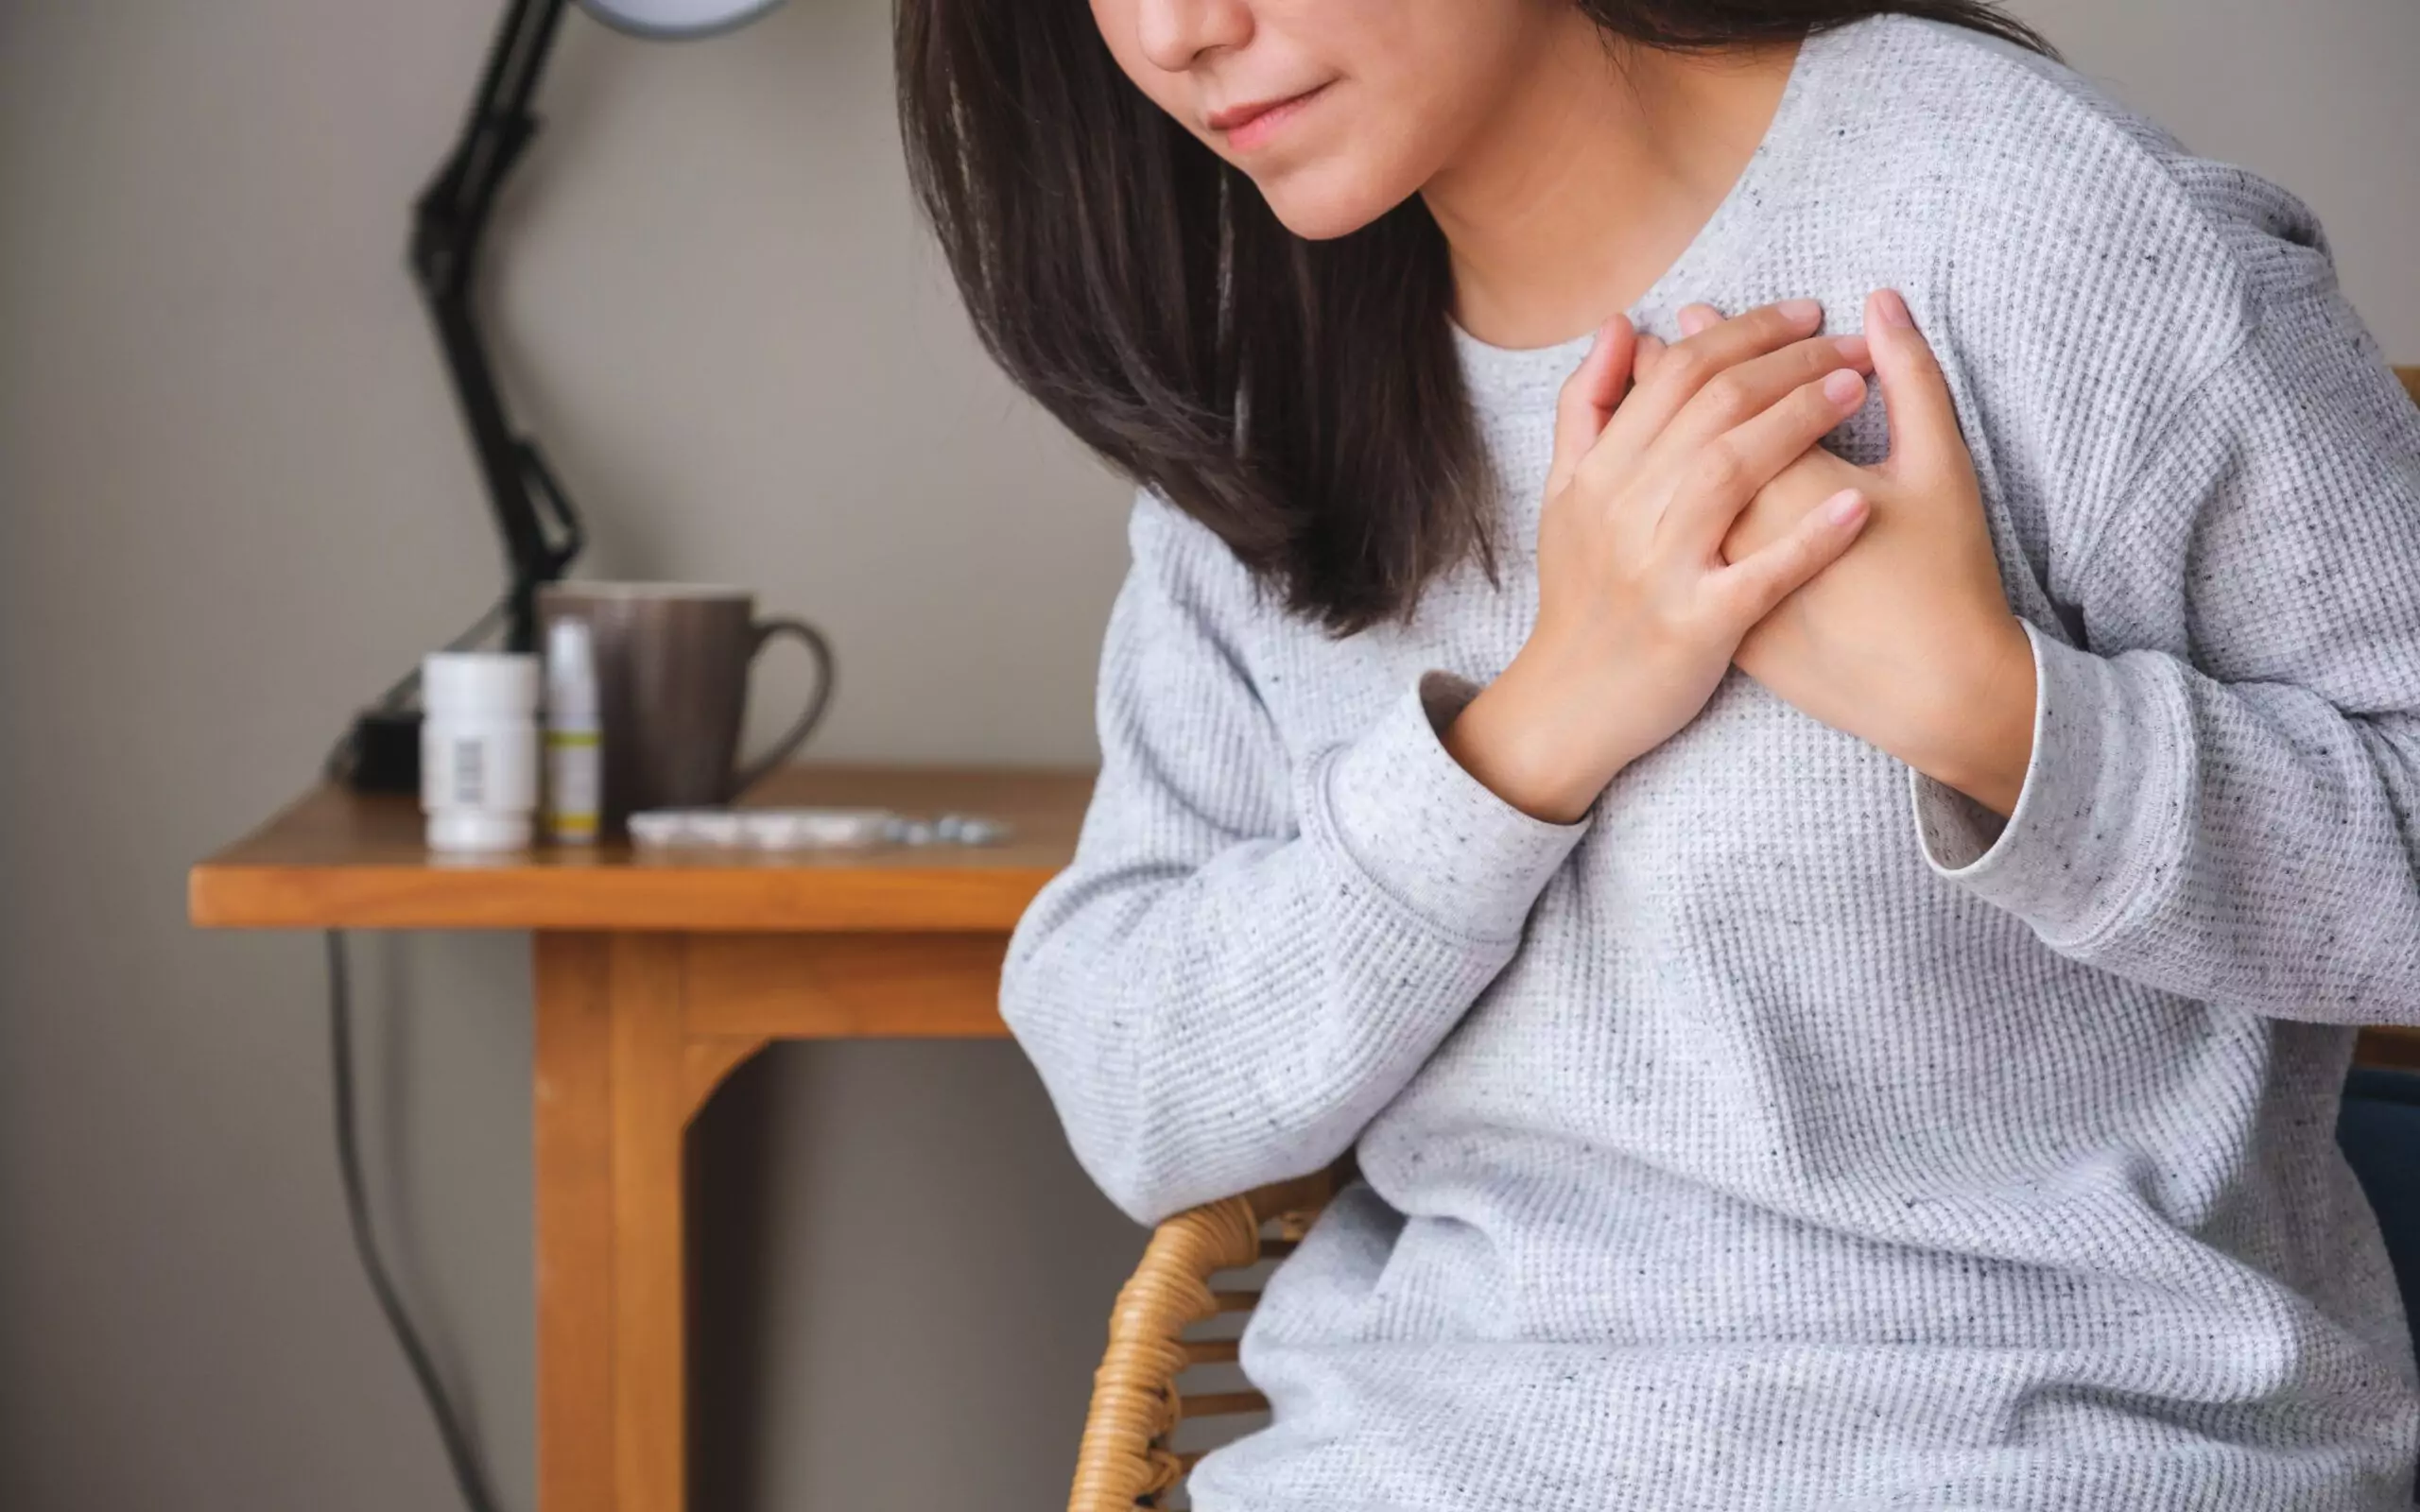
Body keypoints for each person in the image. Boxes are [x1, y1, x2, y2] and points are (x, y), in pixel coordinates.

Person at [893, 2, 2420, 1506]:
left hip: (2037, 1450)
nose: (1175, 34)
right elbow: (1142, 1099)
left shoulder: (2032, 227)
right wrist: (1538, 726)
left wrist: (1995, 711)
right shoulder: (1264, 379)